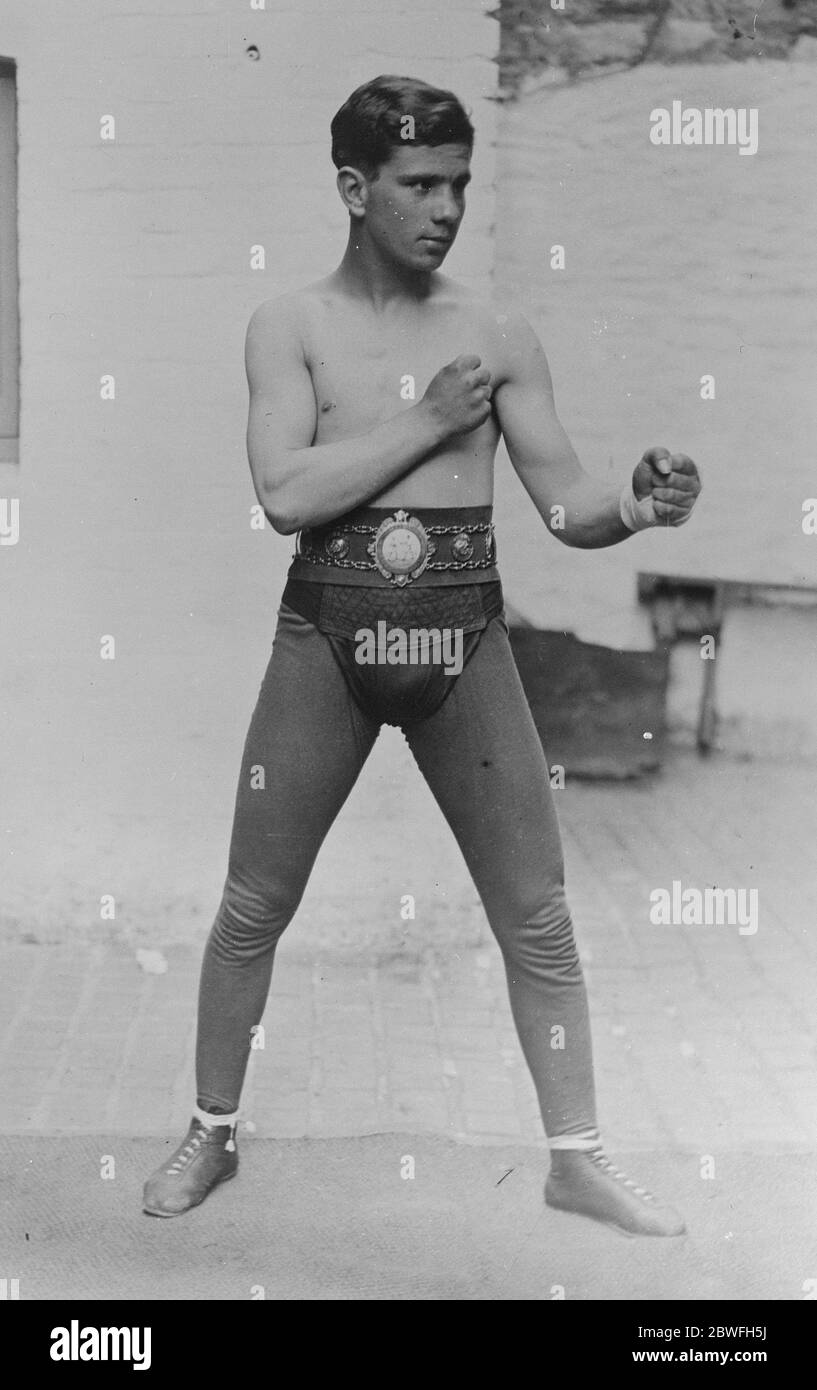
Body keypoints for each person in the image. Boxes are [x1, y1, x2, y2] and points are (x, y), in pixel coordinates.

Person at [143, 75, 701, 1235]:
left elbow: (563, 503)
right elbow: (284, 494)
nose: (445, 208)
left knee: (538, 914)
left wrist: (637, 511)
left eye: (458, 183)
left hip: (462, 639)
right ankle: (211, 1129)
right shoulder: (289, 326)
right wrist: (431, 421)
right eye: (419, 184)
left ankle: (576, 1158)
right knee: (253, 903)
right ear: (354, 187)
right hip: (328, 639)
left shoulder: (497, 337)